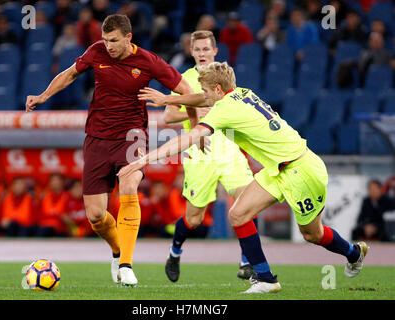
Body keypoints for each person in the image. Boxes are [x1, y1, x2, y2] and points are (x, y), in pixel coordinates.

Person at [124, 61, 369, 294]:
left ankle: (353, 253)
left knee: (312, 234)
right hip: (278, 169)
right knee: (239, 214)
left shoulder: (224, 110)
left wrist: (145, 159)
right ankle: (265, 278)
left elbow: (188, 137)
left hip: (300, 170)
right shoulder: (241, 92)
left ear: (218, 89)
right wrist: (169, 99)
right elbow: (202, 99)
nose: (205, 96)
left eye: (208, 91)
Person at [25, 14, 196, 287]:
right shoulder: (96, 52)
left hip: (132, 136)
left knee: (129, 186)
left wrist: (190, 121)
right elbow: (69, 74)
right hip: (96, 138)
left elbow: (186, 89)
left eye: (114, 41)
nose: (109, 46)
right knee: (95, 215)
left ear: (129, 38)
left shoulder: (149, 61)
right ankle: (117, 251)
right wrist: (43, 96)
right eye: (105, 40)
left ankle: (126, 264)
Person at [162, 30, 256, 283]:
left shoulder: (226, 77)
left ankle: (247, 261)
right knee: (194, 219)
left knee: (250, 199)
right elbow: (168, 116)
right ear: (191, 51)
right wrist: (195, 109)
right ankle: (175, 252)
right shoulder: (184, 79)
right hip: (199, 152)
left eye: (206, 49)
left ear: (215, 51)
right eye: (198, 49)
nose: (202, 54)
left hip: (227, 146)